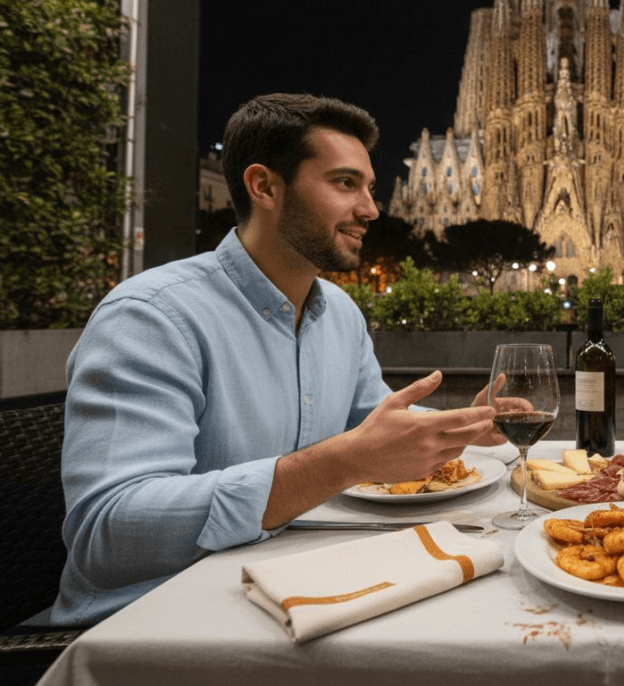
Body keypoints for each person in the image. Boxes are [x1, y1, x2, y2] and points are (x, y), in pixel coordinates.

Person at [49, 94, 503, 626]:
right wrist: (344, 462)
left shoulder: (338, 313)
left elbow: (370, 425)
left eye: (370, 188)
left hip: (299, 590)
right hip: (155, 625)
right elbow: (108, 533)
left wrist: (462, 427)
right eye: (344, 183)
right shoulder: (152, 317)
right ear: (264, 186)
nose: (371, 210)